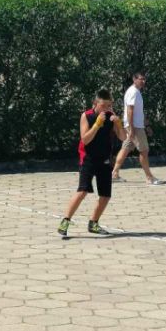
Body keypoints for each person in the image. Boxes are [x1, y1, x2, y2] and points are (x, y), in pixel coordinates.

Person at [57, 89, 127, 237]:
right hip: (88, 159)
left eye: (109, 105)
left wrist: (119, 124)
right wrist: (97, 124)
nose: (106, 108)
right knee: (82, 191)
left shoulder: (111, 116)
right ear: (95, 103)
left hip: (105, 159)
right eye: (103, 105)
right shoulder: (86, 116)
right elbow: (85, 139)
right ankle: (65, 221)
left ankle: (93, 223)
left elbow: (123, 137)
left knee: (105, 195)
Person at [112, 72, 160, 185]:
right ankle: (149, 177)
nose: (143, 81)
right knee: (144, 150)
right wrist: (132, 128)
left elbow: (139, 112)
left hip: (135, 125)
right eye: (141, 79)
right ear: (134, 79)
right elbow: (130, 110)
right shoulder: (133, 92)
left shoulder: (136, 92)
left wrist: (147, 125)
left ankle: (114, 173)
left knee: (125, 149)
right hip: (135, 126)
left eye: (144, 79)